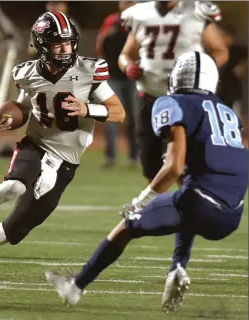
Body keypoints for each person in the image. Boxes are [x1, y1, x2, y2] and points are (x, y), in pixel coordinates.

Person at [45, 51, 248, 313]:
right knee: (185, 200)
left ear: (176, 76)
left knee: (128, 224)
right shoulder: (228, 112)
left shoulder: (172, 103)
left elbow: (173, 166)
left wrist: (141, 200)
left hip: (202, 204)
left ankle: (75, 288)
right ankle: (177, 268)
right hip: (233, 212)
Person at [0, 11, 125, 274]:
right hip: (36, 145)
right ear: (42, 45)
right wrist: (4, 119)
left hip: (66, 161)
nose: (65, 49)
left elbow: (118, 112)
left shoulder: (88, 71)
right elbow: (22, 109)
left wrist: (86, 109)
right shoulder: (28, 72)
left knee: (13, 232)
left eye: (68, 43)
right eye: (58, 43)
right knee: (14, 187)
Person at [118, 0, 229, 184]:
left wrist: (204, 74)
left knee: (186, 166)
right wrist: (128, 66)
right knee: (151, 166)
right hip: (151, 97)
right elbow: (125, 54)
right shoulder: (139, 13)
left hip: (187, 100)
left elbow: (220, 51)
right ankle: (154, 209)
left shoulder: (196, 10)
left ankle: (186, 207)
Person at [96, 1, 138, 167]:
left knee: (134, 118)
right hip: (112, 76)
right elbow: (100, 45)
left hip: (132, 77)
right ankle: (111, 156)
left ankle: (134, 157)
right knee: (111, 116)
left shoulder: (140, 21)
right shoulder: (112, 21)